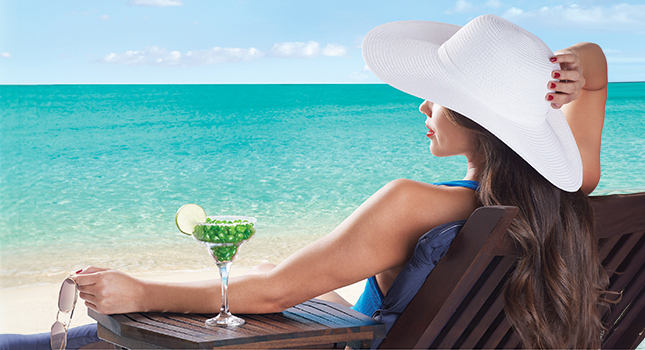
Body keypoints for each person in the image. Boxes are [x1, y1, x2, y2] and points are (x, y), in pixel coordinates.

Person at [1, 14, 608, 349]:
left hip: (351, 346)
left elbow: (271, 296)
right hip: (389, 333)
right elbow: (596, 79)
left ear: (477, 120)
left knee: (214, 304)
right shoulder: (563, 193)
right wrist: (580, 66)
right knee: (283, 283)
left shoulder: (414, 203)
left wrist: (137, 290)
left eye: (439, 98)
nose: (424, 109)